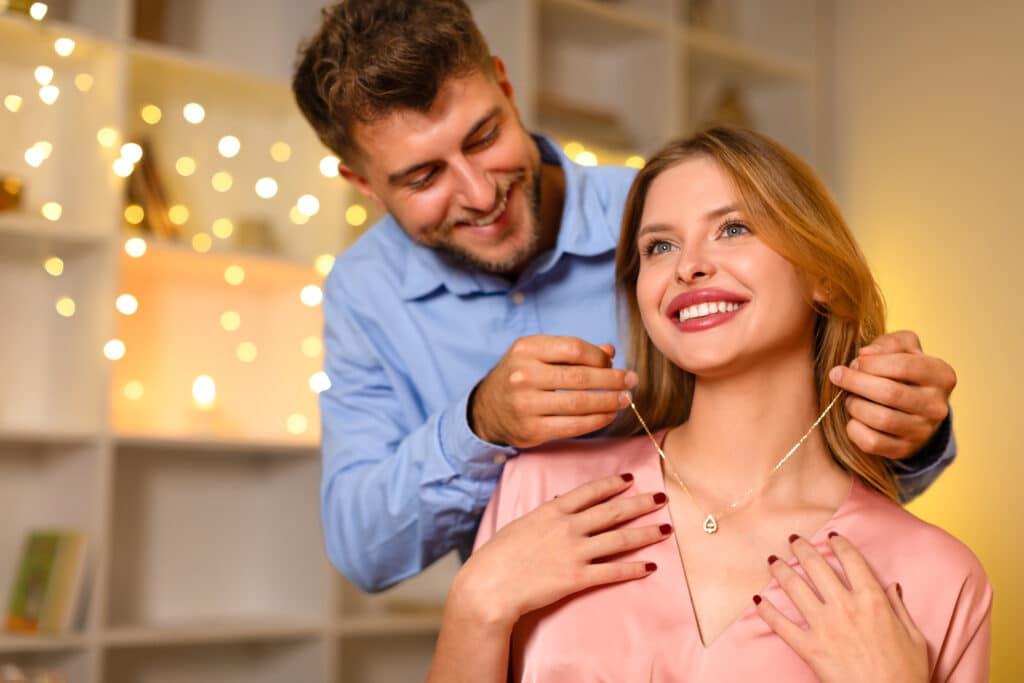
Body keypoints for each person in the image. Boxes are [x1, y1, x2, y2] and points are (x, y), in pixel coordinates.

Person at [291, 0, 959, 593]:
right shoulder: (363, 293)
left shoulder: (662, 215)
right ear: (363, 183)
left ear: (504, 84)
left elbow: (831, 466)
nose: (478, 192)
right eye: (423, 175)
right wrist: (479, 425)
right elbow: (363, 551)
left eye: (484, 136)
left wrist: (909, 432)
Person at [428, 126, 991, 682]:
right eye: (660, 246)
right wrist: (475, 605)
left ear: (824, 275)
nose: (687, 265)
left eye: (733, 228)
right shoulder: (539, 493)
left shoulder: (937, 575)